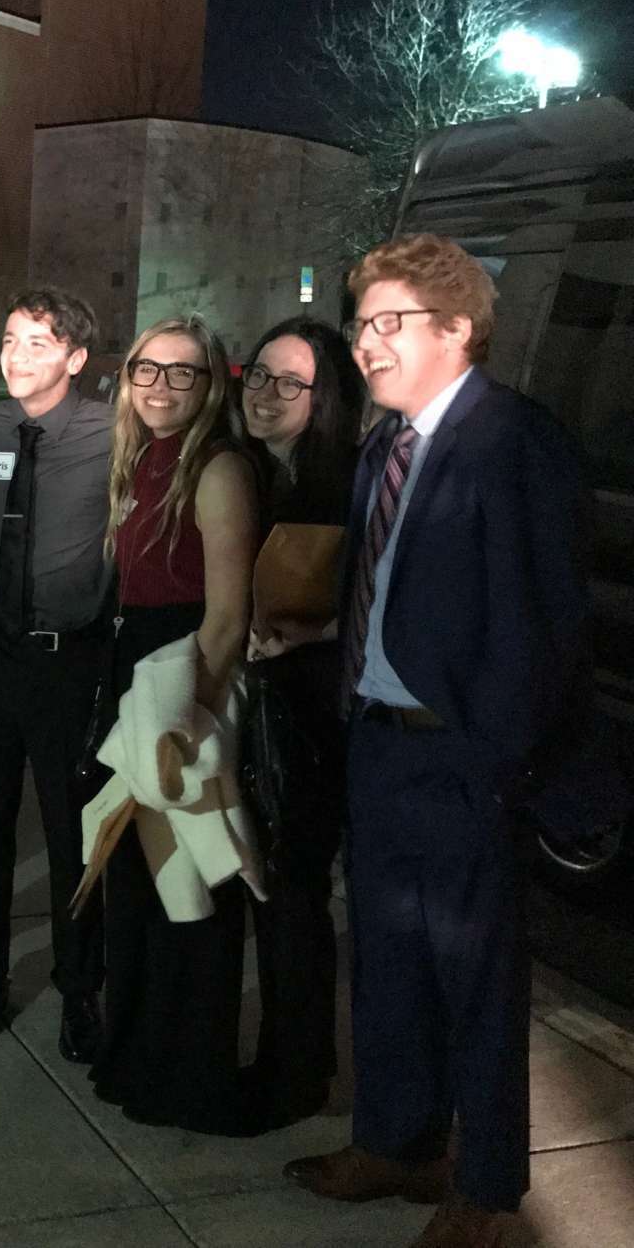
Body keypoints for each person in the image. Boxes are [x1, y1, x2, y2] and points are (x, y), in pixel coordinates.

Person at [285, 235, 588, 1248]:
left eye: (389, 322)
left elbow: (543, 624)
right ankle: (395, 1142)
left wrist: (499, 756)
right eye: (360, 324)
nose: (365, 344)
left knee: (477, 979)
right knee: (385, 958)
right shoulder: (385, 443)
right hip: (377, 744)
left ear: (458, 328)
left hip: (463, 757)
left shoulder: (514, 442)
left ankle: (487, 1189)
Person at [87, 317, 260, 1135]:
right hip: (137, 674)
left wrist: (186, 724)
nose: (159, 386)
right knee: (138, 883)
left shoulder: (218, 467)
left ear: (210, 385)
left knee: (191, 888)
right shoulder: (141, 458)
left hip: (182, 683)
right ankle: (135, 1055)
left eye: (181, 372)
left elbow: (226, 617)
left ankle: (188, 1077)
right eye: (146, 369)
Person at [0, 288, 112, 1061]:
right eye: (11, 339)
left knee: (72, 834)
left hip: (66, 661)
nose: (16, 355)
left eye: (38, 343)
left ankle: (80, 991)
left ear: (75, 359)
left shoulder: (113, 433)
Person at [237, 316, 365, 1130]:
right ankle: (283, 1056)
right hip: (248, 704)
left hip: (313, 715)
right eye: (259, 375)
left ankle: (297, 1069)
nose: (267, 393)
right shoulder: (240, 470)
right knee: (262, 887)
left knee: (291, 890)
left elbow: (386, 604)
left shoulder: (350, 480)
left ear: (324, 397)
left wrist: (311, 633)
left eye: (290, 382)